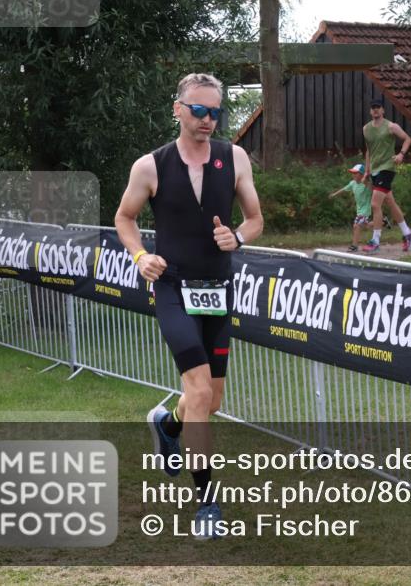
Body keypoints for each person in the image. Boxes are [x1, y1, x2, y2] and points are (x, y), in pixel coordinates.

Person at [114, 73, 263, 539]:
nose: (208, 120)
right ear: (177, 109)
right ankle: (207, 505)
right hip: (175, 290)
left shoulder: (234, 157)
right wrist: (141, 256)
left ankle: (167, 424)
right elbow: (125, 218)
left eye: (216, 112)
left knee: (210, 401)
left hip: (218, 289)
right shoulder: (150, 166)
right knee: (198, 392)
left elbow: (256, 219)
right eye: (199, 110)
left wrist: (236, 236)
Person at [361, 98, 411, 253]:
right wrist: (366, 171)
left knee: (375, 204)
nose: (375, 110)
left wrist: (401, 154)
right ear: (370, 111)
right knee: (390, 203)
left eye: (378, 107)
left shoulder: (391, 126)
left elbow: (407, 139)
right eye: (373, 108)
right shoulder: (366, 129)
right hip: (375, 170)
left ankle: (375, 241)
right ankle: (407, 233)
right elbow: (369, 151)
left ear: (383, 110)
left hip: (387, 168)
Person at [329, 163, 372, 252]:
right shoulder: (352, 183)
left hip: (366, 210)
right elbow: (344, 189)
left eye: (355, 173)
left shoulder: (366, 184)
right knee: (366, 226)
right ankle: (382, 222)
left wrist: (367, 179)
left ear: (361, 175)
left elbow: (374, 189)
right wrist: (334, 194)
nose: (353, 175)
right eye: (352, 173)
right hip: (359, 210)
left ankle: (354, 246)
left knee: (356, 226)